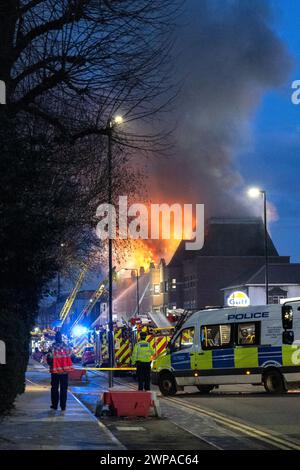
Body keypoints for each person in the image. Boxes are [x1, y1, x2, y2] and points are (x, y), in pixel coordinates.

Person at [47, 331, 73, 411]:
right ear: (61, 337)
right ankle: (63, 406)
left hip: (55, 372)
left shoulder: (52, 347)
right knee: (64, 389)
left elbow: (49, 359)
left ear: (55, 338)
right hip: (64, 372)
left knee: (54, 388)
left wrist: (51, 365)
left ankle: (54, 405)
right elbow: (71, 356)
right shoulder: (66, 347)